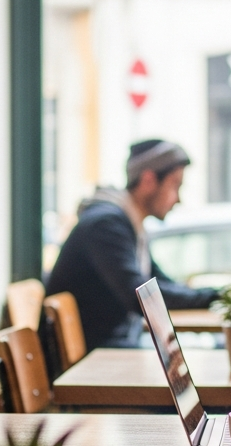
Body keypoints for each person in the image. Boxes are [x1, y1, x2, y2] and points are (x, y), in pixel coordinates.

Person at [45, 140, 219, 353]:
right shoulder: (106, 225)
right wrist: (216, 297)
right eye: (175, 185)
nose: (178, 199)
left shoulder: (127, 223)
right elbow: (143, 297)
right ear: (148, 180)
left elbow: (159, 282)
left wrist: (213, 294)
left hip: (113, 345)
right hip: (98, 356)